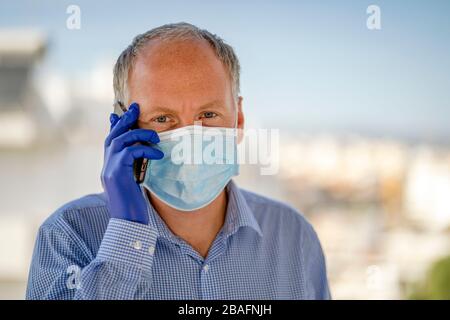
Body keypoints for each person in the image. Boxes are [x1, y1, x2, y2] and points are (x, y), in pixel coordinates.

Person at [26, 22, 330, 300]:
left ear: (238, 118)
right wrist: (127, 231)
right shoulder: (68, 235)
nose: (191, 137)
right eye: (163, 118)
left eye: (208, 115)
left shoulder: (294, 237)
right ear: (125, 126)